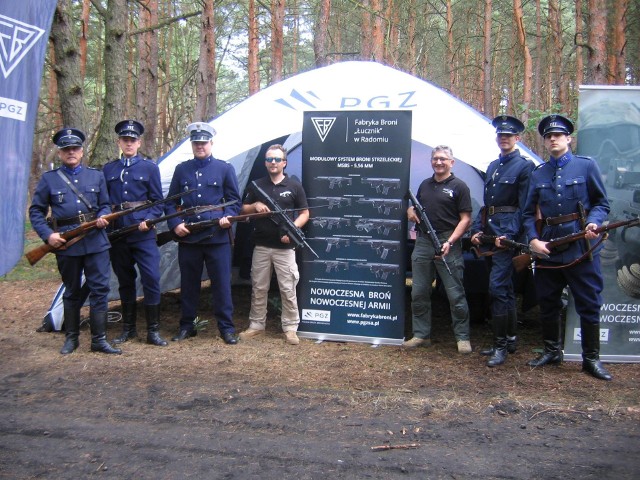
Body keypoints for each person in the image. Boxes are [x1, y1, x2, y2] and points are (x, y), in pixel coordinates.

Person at [523, 114, 612, 381]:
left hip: (581, 248)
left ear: (568, 139)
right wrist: (533, 240)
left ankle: (591, 360)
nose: (553, 139)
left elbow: (602, 203)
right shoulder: (538, 173)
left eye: (558, 135)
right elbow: (527, 214)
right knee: (548, 302)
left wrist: (594, 223)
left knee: (588, 303)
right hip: (549, 248)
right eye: (549, 136)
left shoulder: (586, 167)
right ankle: (552, 351)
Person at [29, 128, 121, 355]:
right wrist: (48, 236)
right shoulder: (49, 180)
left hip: (96, 241)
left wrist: (102, 217)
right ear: (60, 153)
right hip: (66, 243)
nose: (71, 152)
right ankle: (71, 339)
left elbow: (105, 204)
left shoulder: (96, 176)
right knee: (71, 291)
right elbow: (36, 212)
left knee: (100, 290)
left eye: (75, 148)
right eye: (66, 149)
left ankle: (99, 340)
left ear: (81, 151)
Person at [165, 122, 242, 344]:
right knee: (189, 284)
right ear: (192, 144)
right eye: (196, 143)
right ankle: (187, 326)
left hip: (217, 237)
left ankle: (226, 328)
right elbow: (170, 203)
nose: (200, 146)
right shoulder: (182, 169)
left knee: (221, 285)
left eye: (203, 143)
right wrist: (175, 224)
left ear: (211, 143)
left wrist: (228, 216)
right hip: (188, 237)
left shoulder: (224, 168)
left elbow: (234, 200)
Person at [470, 115, 534, 367]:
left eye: (508, 136)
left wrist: (509, 235)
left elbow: (524, 205)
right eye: (500, 135)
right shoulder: (493, 166)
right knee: (503, 288)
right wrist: (477, 229)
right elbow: (488, 206)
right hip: (489, 232)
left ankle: (500, 346)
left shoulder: (524, 166)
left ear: (517, 139)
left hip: (507, 236)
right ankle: (509, 339)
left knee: (497, 288)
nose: (504, 139)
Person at [103, 120, 167, 347]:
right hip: (118, 233)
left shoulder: (150, 168)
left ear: (139, 142)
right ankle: (128, 329)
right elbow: (104, 203)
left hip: (143, 233)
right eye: (125, 140)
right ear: (119, 142)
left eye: (133, 140)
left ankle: (153, 331)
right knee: (125, 281)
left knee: (151, 278)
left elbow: (158, 202)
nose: (129, 144)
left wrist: (147, 220)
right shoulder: (108, 169)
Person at [238, 145, 310, 345]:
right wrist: (254, 206)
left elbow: (305, 213)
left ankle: (290, 328)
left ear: (284, 163)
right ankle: (256, 325)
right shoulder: (257, 185)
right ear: (265, 162)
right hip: (261, 245)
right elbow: (243, 209)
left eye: (277, 159)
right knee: (259, 287)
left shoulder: (294, 186)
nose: (273, 163)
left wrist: (292, 230)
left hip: (285, 249)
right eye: (270, 159)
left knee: (288, 289)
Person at [404, 145, 473, 353]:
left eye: (443, 159)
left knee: (455, 294)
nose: (439, 162)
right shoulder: (425, 185)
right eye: (435, 159)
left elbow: (466, 219)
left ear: (452, 162)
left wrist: (450, 241)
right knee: (419, 292)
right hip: (424, 242)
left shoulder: (460, 186)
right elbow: (416, 207)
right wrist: (410, 210)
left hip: (447, 241)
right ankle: (421, 335)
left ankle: (462, 338)